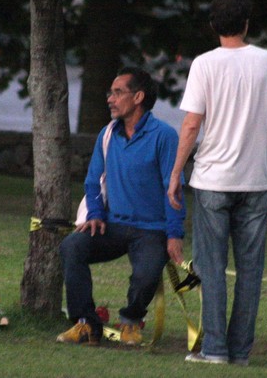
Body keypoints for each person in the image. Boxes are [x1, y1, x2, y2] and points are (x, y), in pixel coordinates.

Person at [167, 0, 267, 366]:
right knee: (250, 272)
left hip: (212, 180)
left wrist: (176, 173)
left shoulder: (204, 64)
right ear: (247, 24)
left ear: (214, 25)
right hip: (256, 181)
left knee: (211, 270)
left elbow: (192, 124)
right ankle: (240, 351)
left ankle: (215, 349)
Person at [57, 66, 186, 346]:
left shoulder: (165, 136)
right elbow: (93, 182)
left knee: (147, 274)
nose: (110, 99)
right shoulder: (107, 134)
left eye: (117, 92)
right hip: (112, 225)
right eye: (110, 93)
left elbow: (173, 188)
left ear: (138, 97)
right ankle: (86, 324)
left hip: (151, 230)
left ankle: (130, 321)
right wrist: (94, 214)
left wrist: (174, 234)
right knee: (71, 246)